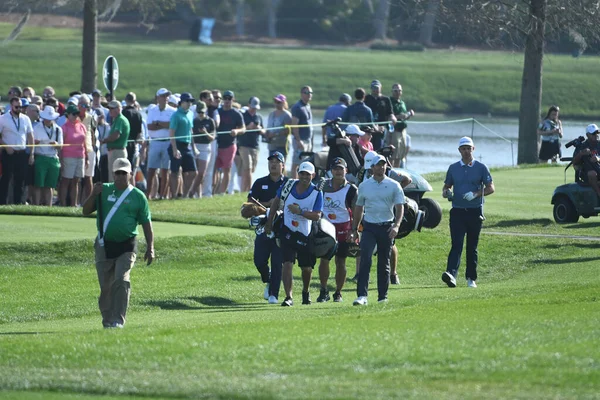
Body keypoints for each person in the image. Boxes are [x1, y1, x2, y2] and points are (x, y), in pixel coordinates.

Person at [82, 158, 154, 329]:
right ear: (113, 174)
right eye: (118, 173)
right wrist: (93, 194)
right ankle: (107, 320)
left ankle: (118, 319)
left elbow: (146, 223)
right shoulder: (103, 190)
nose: (121, 176)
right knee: (106, 286)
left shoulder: (138, 196)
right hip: (104, 245)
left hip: (127, 245)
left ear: (130, 174)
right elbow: (85, 211)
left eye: (124, 173)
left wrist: (150, 247)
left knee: (121, 280)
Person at [264, 161, 323, 306]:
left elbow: (317, 216)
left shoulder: (317, 193)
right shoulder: (288, 185)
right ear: (298, 173)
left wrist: (300, 212)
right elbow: (276, 202)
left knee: (306, 268)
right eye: (302, 173)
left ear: (313, 175)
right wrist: (269, 222)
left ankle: (305, 291)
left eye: (307, 174)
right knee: (287, 264)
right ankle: (288, 297)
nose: (304, 177)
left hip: (305, 232)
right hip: (287, 230)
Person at [350, 154, 405, 305]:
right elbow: (359, 208)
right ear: (372, 167)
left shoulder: (394, 185)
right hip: (369, 227)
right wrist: (354, 228)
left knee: (384, 263)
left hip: (387, 227)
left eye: (383, 164)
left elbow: (400, 208)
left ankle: (382, 296)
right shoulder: (364, 186)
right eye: (378, 165)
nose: (381, 167)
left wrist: (397, 226)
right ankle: (362, 296)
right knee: (365, 259)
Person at [441, 136, 495, 289]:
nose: (466, 151)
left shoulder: (481, 167)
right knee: (456, 244)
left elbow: (491, 188)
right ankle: (451, 274)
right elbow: (446, 187)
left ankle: (471, 278)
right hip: (457, 211)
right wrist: (447, 193)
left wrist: (476, 194)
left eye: (468, 148)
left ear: (473, 149)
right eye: (463, 148)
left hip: (475, 211)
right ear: (459, 150)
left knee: (472, 246)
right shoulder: (453, 168)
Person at [248, 151, 288, 304]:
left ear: (282, 165)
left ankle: (274, 294)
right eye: (271, 161)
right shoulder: (259, 182)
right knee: (259, 261)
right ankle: (268, 279)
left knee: (278, 262)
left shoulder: (289, 183)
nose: (273, 164)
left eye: (277, 162)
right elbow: (250, 204)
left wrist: (277, 205)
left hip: (281, 228)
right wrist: (268, 204)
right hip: (263, 227)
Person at [317, 158, 357, 303]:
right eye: (335, 169)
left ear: (346, 170)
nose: (338, 171)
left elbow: (357, 210)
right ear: (331, 171)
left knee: (340, 262)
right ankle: (323, 290)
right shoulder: (322, 186)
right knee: (324, 259)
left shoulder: (351, 189)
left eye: (341, 168)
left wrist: (355, 229)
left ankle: (338, 293)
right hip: (325, 228)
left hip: (343, 229)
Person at [0, 96, 35, 205]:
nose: (19, 109)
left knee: (20, 180)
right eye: (17, 107)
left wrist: (31, 153)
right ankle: (3, 203)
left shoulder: (25, 119)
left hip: (22, 153)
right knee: (6, 179)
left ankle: (18, 204)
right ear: (11, 106)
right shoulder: (3, 118)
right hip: (9, 153)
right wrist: (6, 146)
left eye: (21, 107)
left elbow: (30, 136)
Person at [213, 90, 244, 195]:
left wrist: (237, 131)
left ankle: (222, 192)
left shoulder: (236, 113)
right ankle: (213, 191)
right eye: (225, 98)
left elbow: (243, 128)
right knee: (214, 170)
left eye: (229, 98)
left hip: (229, 145)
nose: (226, 100)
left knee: (227, 169)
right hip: (216, 144)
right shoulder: (217, 111)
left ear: (232, 100)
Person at [168, 92, 198, 198]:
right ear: (181, 102)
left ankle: (184, 195)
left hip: (187, 145)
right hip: (177, 145)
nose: (189, 103)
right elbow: (171, 133)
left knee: (193, 172)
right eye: (187, 101)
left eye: (191, 101)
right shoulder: (176, 115)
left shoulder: (190, 114)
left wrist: (194, 147)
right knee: (175, 172)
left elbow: (191, 131)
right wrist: (175, 149)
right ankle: (175, 195)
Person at [32, 106, 63, 206]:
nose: (48, 120)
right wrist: (36, 142)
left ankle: (49, 206)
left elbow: (60, 146)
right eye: (47, 118)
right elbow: (32, 143)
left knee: (50, 186)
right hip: (40, 156)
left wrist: (56, 144)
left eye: (50, 118)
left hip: (53, 158)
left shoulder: (58, 129)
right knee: (38, 184)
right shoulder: (36, 128)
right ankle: (36, 205)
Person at [59, 104, 88, 207]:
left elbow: (85, 143)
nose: (76, 116)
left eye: (77, 114)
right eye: (74, 114)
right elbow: (61, 146)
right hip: (68, 156)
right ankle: (62, 204)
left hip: (80, 156)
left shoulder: (82, 126)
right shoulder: (64, 128)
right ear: (68, 115)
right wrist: (61, 160)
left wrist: (87, 158)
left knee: (76, 181)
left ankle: (73, 204)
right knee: (66, 180)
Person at [189, 101, 216, 198]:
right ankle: (198, 194)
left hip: (205, 147)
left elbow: (212, 137)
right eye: (199, 112)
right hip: (195, 146)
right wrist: (193, 147)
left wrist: (205, 132)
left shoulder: (210, 121)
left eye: (202, 112)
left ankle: (191, 191)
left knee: (201, 172)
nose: (201, 114)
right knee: (195, 172)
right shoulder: (194, 121)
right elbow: (191, 136)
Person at [99, 100, 130, 183]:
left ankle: (115, 195)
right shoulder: (117, 120)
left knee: (115, 177)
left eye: (112, 109)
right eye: (109, 109)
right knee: (116, 176)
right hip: (116, 151)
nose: (110, 111)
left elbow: (116, 135)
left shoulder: (120, 120)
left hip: (117, 152)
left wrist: (104, 141)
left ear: (118, 109)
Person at [239, 97, 265, 192]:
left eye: (255, 108)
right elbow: (239, 129)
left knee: (251, 169)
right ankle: (250, 190)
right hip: (244, 145)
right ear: (249, 105)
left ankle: (243, 190)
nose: (254, 109)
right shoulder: (243, 115)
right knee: (248, 167)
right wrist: (248, 127)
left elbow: (263, 131)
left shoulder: (259, 117)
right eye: (252, 107)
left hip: (255, 146)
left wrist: (258, 128)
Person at [364, 80, 396, 151]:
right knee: (368, 148)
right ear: (371, 88)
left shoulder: (385, 99)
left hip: (381, 128)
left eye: (377, 88)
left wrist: (392, 118)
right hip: (369, 128)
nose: (376, 89)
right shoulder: (367, 98)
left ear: (380, 88)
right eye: (374, 88)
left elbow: (390, 112)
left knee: (379, 148)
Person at [389, 83, 415, 168]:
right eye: (395, 91)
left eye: (399, 91)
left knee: (400, 155)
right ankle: (391, 173)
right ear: (392, 92)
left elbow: (404, 117)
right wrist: (400, 116)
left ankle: (398, 174)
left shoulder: (402, 103)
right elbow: (388, 116)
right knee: (393, 155)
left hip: (403, 131)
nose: (398, 92)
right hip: (394, 131)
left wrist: (409, 114)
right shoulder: (390, 102)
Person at [290, 86, 313, 179]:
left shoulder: (308, 106)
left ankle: (303, 181)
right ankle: (294, 182)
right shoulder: (297, 107)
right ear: (302, 94)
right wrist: (299, 140)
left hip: (308, 139)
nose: (309, 95)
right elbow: (294, 125)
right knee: (296, 162)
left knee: (306, 162)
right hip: (300, 140)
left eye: (310, 93)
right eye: (306, 93)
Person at [122, 92, 145, 185]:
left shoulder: (124, 112)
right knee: (132, 170)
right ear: (134, 101)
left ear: (126, 100)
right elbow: (139, 133)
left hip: (125, 143)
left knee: (124, 169)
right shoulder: (138, 114)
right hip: (134, 144)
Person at [573, 124, 600, 198]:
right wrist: (581, 154)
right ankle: (599, 194)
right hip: (586, 172)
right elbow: (574, 162)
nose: (596, 135)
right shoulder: (582, 146)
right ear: (587, 135)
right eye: (593, 133)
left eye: (597, 133)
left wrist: (598, 159)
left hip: (598, 168)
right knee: (592, 173)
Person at [266, 94, 292, 160]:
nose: (277, 104)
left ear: (283, 103)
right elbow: (268, 128)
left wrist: (275, 134)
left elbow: (288, 130)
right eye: (275, 102)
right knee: (272, 164)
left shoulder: (287, 115)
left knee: (280, 165)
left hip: (282, 145)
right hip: (271, 145)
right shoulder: (271, 114)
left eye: (279, 102)